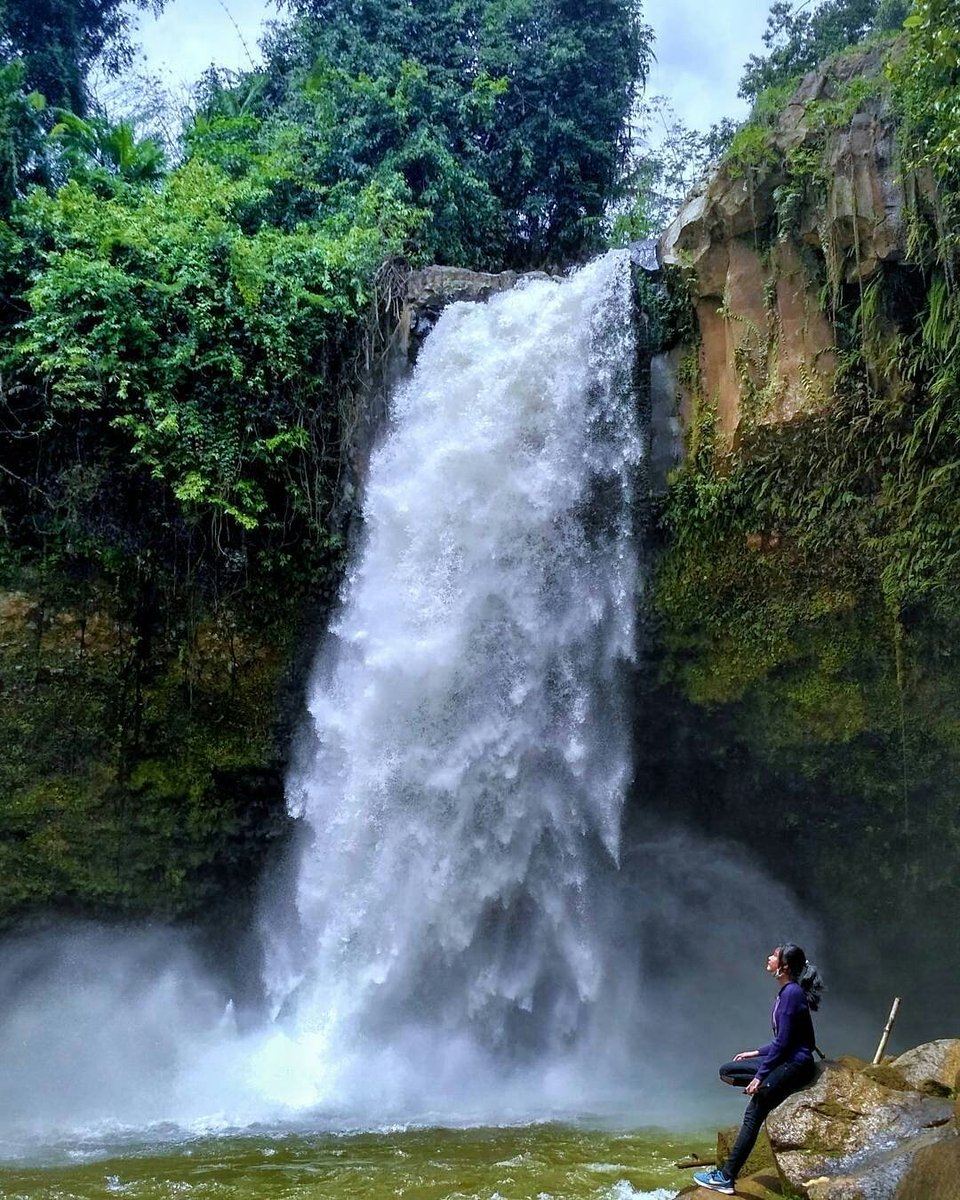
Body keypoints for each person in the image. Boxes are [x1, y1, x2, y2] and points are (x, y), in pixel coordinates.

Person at [693, 943, 824, 1196]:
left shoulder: (791, 993)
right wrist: (756, 1053)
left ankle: (726, 1177)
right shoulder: (786, 991)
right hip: (783, 1058)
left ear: (784, 966)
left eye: (774, 955)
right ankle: (771, 1085)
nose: (769, 957)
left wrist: (762, 1077)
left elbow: (786, 1044)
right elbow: (782, 1040)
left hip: (795, 1065)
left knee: (754, 1112)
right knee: (728, 1071)